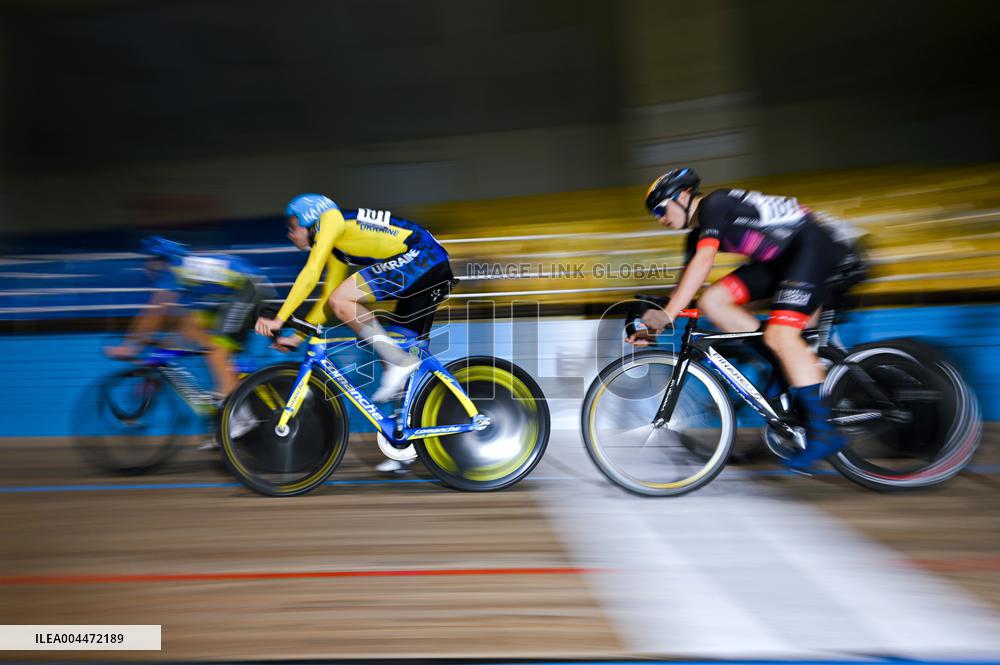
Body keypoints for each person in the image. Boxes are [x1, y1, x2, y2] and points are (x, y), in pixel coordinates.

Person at [631, 168, 863, 471]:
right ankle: (780, 359)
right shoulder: (695, 236)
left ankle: (825, 432)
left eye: (661, 208)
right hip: (784, 260)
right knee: (713, 301)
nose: (660, 218)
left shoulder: (715, 204)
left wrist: (668, 314)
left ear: (684, 195)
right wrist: (652, 322)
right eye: (655, 214)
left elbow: (704, 263)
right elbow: (685, 286)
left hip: (814, 246)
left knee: (781, 335)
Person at [254, 194, 455, 473]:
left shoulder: (331, 220)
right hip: (427, 265)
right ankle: (404, 446)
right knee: (394, 352)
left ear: (310, 219)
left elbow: (311, 273)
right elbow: (327, 301)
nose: (290, 234)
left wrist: (280, 318)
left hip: (423, 257)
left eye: (293, 226)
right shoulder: (338, 247)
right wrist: (297, 337)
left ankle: (399, 363)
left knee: (362, 320)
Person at [106, 236, 273, 441]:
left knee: (216, 352)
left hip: (250, 289)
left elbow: (154, 313)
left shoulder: (173, 270)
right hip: (235, 294)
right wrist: (160, 351)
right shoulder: (184, 272)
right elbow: (179, 322)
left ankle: (239, 417)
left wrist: (129, 346)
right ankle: (227, 397)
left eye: (149, 261)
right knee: (191, 325)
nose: (147, 268)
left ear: (160, 260)